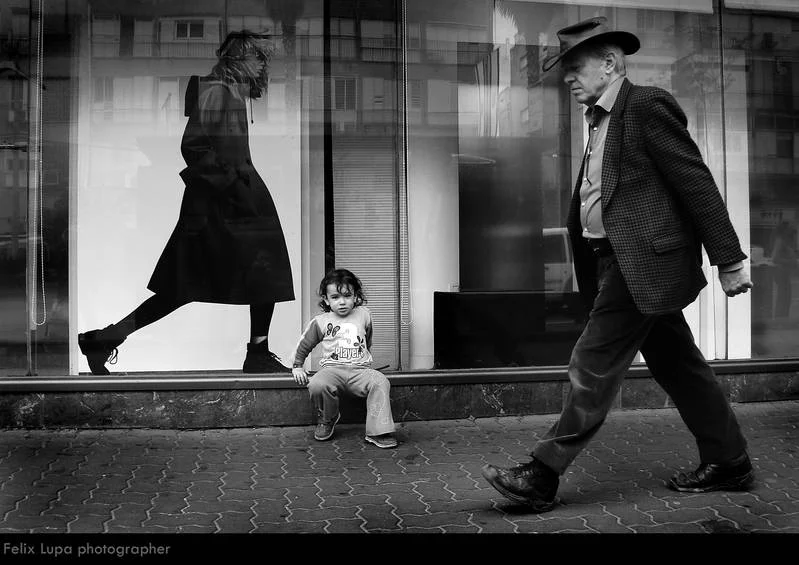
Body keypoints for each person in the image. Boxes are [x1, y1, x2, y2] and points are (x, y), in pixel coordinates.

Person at [481, 17, 754, 513]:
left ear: (609, 63)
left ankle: (542, 473)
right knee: (681, 366)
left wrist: (729, 258)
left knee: (593, 363)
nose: (567, 76)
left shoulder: (645, 105)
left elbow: (695, 183)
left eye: (575, 66)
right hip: (615, 263)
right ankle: (729, 459)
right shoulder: (599, 117)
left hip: (641, 265)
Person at [78, 31, 294, 375]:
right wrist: (235, 186)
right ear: (239, 58)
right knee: (198, 283)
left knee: (255, 274)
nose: (262, 65)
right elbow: (193, 146)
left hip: (228, 203)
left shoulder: (229, 93)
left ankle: (105, 339)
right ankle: (104, 339)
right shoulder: (217, 91)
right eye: (258, 58)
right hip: (222, 206)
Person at [291, 269, 398, 449]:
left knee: (380, 382)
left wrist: (365, 358)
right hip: (331, 371)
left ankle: (378, 431)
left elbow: (367, 339)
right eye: (335, 297)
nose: (342, 302)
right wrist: (297, 365)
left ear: (356, 296)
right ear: (326, 300)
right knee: (317, 384)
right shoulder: (321, 321)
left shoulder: (364, 314)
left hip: (360, 370)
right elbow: (304, 344)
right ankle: (328, 418)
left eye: (347, 296)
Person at [770, 221, 797, 317]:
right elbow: (775, 258)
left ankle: (783, 317)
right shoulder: (780, 240)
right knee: (783, 296)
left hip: (784, 272)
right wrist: (791, 262)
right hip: (780, 272)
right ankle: (780, 318)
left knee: (786, 296)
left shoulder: (786, 241)